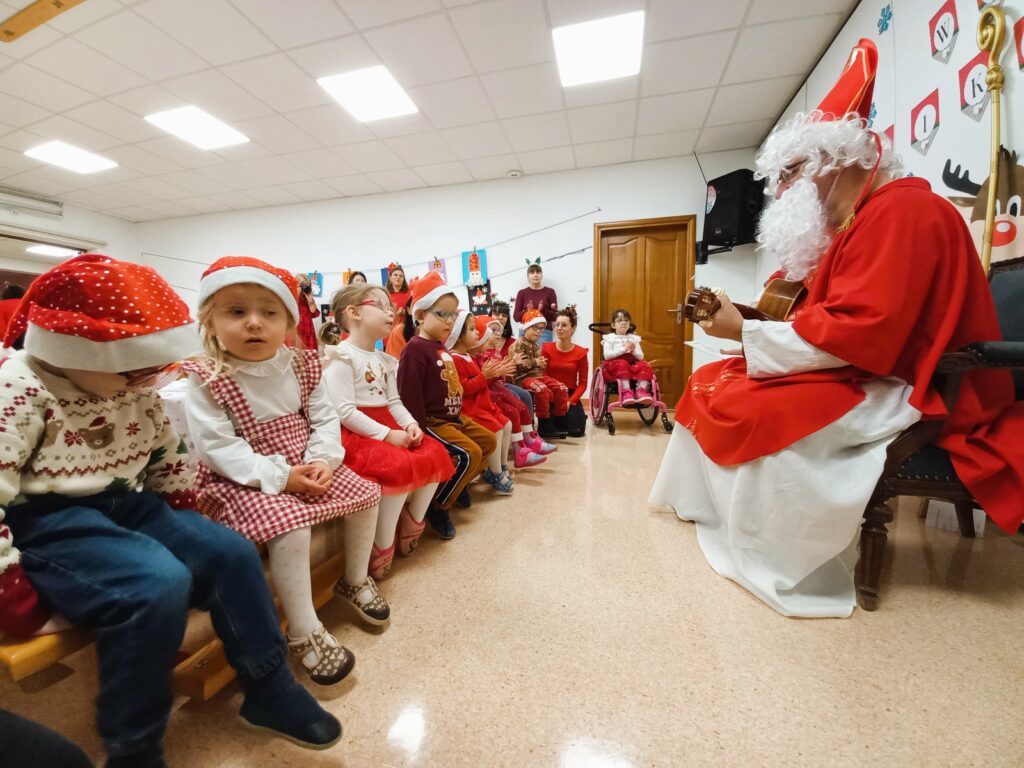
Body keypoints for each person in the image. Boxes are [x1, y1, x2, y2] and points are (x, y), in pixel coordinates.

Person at [649, 38, 1024, 618]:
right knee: (713, 382)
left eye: (794, 172)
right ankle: (710, 512)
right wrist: (746, 329)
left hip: (901, 383)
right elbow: (830, 318)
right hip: (864, 366)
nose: (788, 189)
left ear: (835, 162)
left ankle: (773, 555)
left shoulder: (903, 213)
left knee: (750, 405)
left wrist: (744, 331)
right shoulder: (859, 222)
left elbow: (862, 329)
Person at [0, 255, 342, 765]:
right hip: (51, 519)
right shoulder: (20, 387)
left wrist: (185, 517)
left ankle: (269, 688)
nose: (147, 381)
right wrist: (13, 591)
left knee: (229, 552)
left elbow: (166, 453)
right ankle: (134, 746)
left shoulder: (129, 385)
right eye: (133, 369)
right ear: (71, 351)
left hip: (132, 504)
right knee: (155, 585)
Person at [184, 257, 385, 685]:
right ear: (209, 320)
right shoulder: (208, 377)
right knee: (290, 525)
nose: (254, 323)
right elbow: (218, 446)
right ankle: (304, 628)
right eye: (236, 312)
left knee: (367, 494)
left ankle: (354, 579)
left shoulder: (303, 364)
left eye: (269, 312)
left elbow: (324, 418)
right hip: (245, 476)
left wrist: (323, 460)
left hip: (308, 460)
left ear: (288, 321)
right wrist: (280, 477)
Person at [322, 284, 453, 578]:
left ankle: (413, 521)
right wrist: (386, 434)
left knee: (434, 453)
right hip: (359, 434)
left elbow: (393, 401)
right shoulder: (342, 357)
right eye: (380, 306)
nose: (391, 311)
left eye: (389, 306)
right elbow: (345, 411)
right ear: (353, 312)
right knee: (396, 467)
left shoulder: (385, 360)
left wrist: (410, 424)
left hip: (389, 424)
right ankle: (382, 544)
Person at [397, 272, 497, 540]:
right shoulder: (415, 349)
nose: (450, 321)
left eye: (453, 315)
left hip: (455, 418)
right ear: (420, 316)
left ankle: (457, 484)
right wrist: (418, 429)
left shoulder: (440, 348)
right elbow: (408, 394)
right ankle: (437, 506)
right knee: (469, 454)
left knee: (488, 442)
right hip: (433, 421)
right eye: (443, 314)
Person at [447, 310, 515, 494]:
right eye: (472, 330)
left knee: (507, 424)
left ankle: (501, 465)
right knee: (497, 428)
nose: (477, 333)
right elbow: (463, 389)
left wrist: (493, 373)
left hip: (483, 404)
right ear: (459, 336)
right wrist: (485, 376)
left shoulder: (469, 356)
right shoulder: (454, 359)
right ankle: (494, 472)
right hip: (470, 408)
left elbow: (482, 379)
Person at [477, 316, 554, 465]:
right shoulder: (485, 352)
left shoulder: (494, 351)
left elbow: (502, 371)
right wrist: (509, 366)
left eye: (499, 330)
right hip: (496, 386)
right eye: (493, 330)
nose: (498, 333)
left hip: (499, 383)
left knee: (524, 398)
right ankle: (521, 447)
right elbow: (490, 376)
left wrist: (508, 366)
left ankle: (530, 437)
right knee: (516, 407)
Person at [508, 309, 569, 439]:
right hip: (521, 378)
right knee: (540, 389)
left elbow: (537, 365)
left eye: (541, 329)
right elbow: (519, 365)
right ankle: (544, 424)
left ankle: (559, 420)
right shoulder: (517, 344)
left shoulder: (535, 345)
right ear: (526, 328)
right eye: (535, 328)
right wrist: (535, 362)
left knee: (561, 387)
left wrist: (540, 363)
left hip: (536, 375)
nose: (539, 332)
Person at [543, 305, 589, 437]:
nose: (559, 328)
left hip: (569, 394)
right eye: (557, 325)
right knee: (550, 427)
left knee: (577, 431)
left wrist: (570, 401)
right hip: (551, 392)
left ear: (573, 328)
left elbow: (583, 384)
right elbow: (543, 375)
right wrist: (555, 397)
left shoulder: (581, 353)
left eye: (564, 325)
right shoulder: (546, 348)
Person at [601, 308, 654, 407]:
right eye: (620, 320)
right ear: (613, 325)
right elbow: (607, 356)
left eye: (626, 320)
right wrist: (623, 350)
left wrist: (633, 351)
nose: (623, 323)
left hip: (631, 365)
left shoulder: (633, 339)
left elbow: (641, 357)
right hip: (614, 366)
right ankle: (626, 391)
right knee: (622, 363)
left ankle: (641, 390)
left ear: (629, 324)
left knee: (645, 364)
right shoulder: (610, 338)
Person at [513, 262, 558, 343]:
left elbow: (555, 316)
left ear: (542, 275)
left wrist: (542, 309)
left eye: (538, 272)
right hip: (525, 330)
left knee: (541, 355)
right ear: (528, 276)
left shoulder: (550, 292)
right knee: (523, 355)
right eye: (532, 272)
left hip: (544, 331)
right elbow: (516, 317)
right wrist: (529, 312)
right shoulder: (522, 293)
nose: (535, 274)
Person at [293, 272, 320, 349]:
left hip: (308, 330)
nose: (304, 287)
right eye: (302, 285)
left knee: (310, 354)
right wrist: (296, 293)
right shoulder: (292, 296)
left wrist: (310, 299)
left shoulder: (307, 297)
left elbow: (313, 312)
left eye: (306, 285)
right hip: (297, 330)